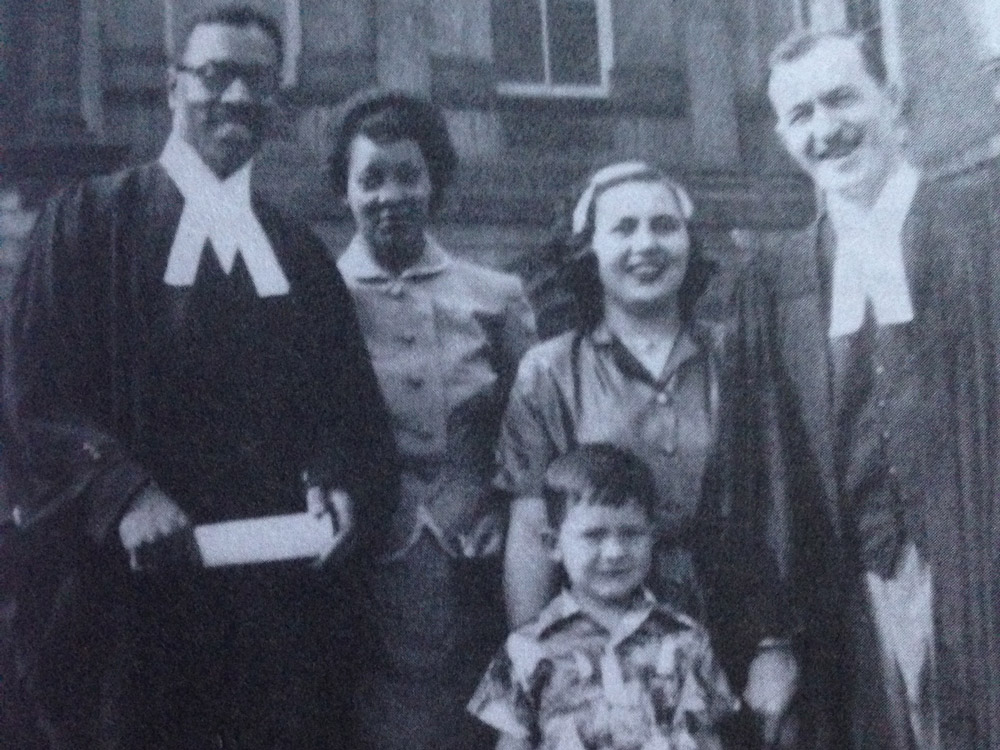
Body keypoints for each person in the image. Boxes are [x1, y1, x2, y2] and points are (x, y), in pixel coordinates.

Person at [1, 6, 398, 749]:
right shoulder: (85, 224)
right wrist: (122, 492)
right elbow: (35, 396)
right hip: (124, 611)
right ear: (172, 87)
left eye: (259, 82)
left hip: (270, 614)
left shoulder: (299, 254)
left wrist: (340, 477)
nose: (239, 97)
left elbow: (347, 409)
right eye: (217, 75)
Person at [726, 27, 1000, 750]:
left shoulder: (985, 233)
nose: (826, 130)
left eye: (842, 99)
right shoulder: (776, 280)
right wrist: (768, 636)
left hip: (981, 567)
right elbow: (756, 476)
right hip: (851, 595)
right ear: (783, 136)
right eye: (801, 114)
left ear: (894, 100)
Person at [331, 89, 537, 750]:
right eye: (371, 179)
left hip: (482, 566)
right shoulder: (318, 298)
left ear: (434, 182)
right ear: (345, 191)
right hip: (365, 568)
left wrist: (502, 511)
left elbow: (530, 432)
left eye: (408, 175)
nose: (391, 195)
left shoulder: (495, 297)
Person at [499, 161, 721, 627]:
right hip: (603, 628)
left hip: (733, 614)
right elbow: (533, 527)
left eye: (665, 226)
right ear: (589, 250)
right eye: (624, 228)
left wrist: (774, 640)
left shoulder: (735, 356)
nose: (647, 244)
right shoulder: (550, 370)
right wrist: (532, 647)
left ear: (689, 243)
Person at [469, 444, 739, 750]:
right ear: (554, 544)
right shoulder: (527, 649)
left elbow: (708, 739)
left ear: (652, 537)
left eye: (631, 534)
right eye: (594, 535)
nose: (614, 552)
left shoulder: (686, 640)